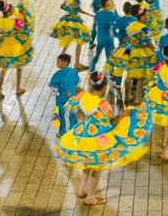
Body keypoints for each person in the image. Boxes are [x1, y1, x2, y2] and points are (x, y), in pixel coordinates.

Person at [51, 70, 152, 207]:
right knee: (97, 167)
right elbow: (111, 122)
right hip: (98, 138)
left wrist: (87, 122)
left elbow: (78, 113)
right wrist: (125, 115)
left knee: (87, 162)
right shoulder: (104, 105)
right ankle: (90, 198)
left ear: (91, 85)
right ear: (105, 87)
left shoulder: (82, 96)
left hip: (82, 133)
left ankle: (81, 190)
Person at [0, 0, 34, 100]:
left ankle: (0, 89)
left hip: (2, 44)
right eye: (12, 9)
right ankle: (18, 89)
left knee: (3, 68)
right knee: (19, 66)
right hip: (14, 45)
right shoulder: (14, 21)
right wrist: (23, 14)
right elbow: (27, 26)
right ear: (9, 11)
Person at [51, 0, 93, 70]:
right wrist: (89, 14)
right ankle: (76, 63)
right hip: (74, 22)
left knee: (67, 41)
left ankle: (60, 60)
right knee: (79, 41)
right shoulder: (76, 0)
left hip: (67, 20)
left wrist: (70, 10)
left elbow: (62, 6)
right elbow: (79, 10)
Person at [49, 53, 79, 135]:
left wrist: (57, 91)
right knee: (73, 113)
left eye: (58, 62)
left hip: (61, 97)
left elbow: (52, 85)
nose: (56, 63)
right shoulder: (74, 71)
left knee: (60, 113)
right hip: (72, 96)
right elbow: (76, 81)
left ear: (64, 63)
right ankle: (74, 130)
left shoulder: (57, 74)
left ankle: (62, 132)